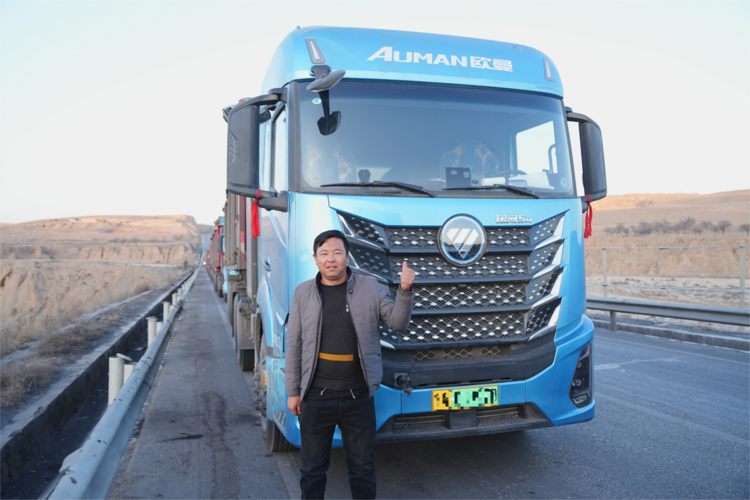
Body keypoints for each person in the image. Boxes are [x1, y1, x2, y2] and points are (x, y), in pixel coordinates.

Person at [286, 229, 415, 500]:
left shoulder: (370, 287)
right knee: (312, 470)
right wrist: (293, 392)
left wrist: (404, 290)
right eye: (324, 253)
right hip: (316, 395)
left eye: (337, 252)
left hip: (358, 397)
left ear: (347, 256)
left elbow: (397, 323)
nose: (330, 259)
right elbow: (294, 344)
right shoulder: (303, 293)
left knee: (362, 469)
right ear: (315, 258)